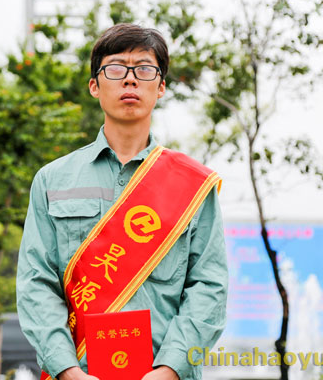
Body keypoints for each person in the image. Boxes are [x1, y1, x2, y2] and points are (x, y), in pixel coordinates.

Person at [17, 23, 228, 380]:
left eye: (144, 69)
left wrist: (170, 369)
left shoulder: (193, 185)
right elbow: (36, 283)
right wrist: (68, 370)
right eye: (115, 68)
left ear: (160, 87)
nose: (130, 79)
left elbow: (209, 287)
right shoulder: (53, 180)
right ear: (94, 86)